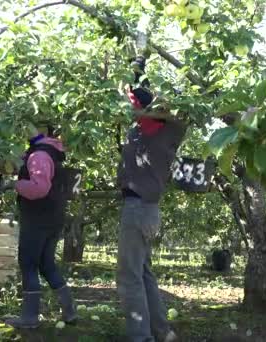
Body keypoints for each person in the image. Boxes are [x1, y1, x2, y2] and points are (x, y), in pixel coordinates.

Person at [116, 82, 187, 341]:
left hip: (138, 208)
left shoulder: (161, 131)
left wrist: (132, 80)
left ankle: (141, 337)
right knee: (143, 273)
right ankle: (161, 332)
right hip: (147, 209)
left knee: (129, 277)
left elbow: (135, 106)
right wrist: (137, 70)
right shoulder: (156, 131)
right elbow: (137, 103)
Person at [2, 122, 77, 329]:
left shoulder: (40, 155)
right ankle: (70, 311)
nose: (25, 131)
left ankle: (30, 317)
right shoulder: (51, 152)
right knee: (46, 264)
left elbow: (39, 188)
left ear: (42, 131)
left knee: (28, 263)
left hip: (38, 218)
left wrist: (14, 184)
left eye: (30, 127)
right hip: (53, 217)